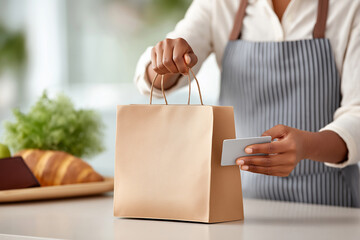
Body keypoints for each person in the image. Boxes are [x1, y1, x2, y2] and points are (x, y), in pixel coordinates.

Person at [133, 0, 360, 207]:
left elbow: (357, 114)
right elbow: (151, 74)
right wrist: (166, 60)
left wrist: (308, 146)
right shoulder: (219, 5)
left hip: (331, 208)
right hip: (238, 207)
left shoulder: (349, 6)